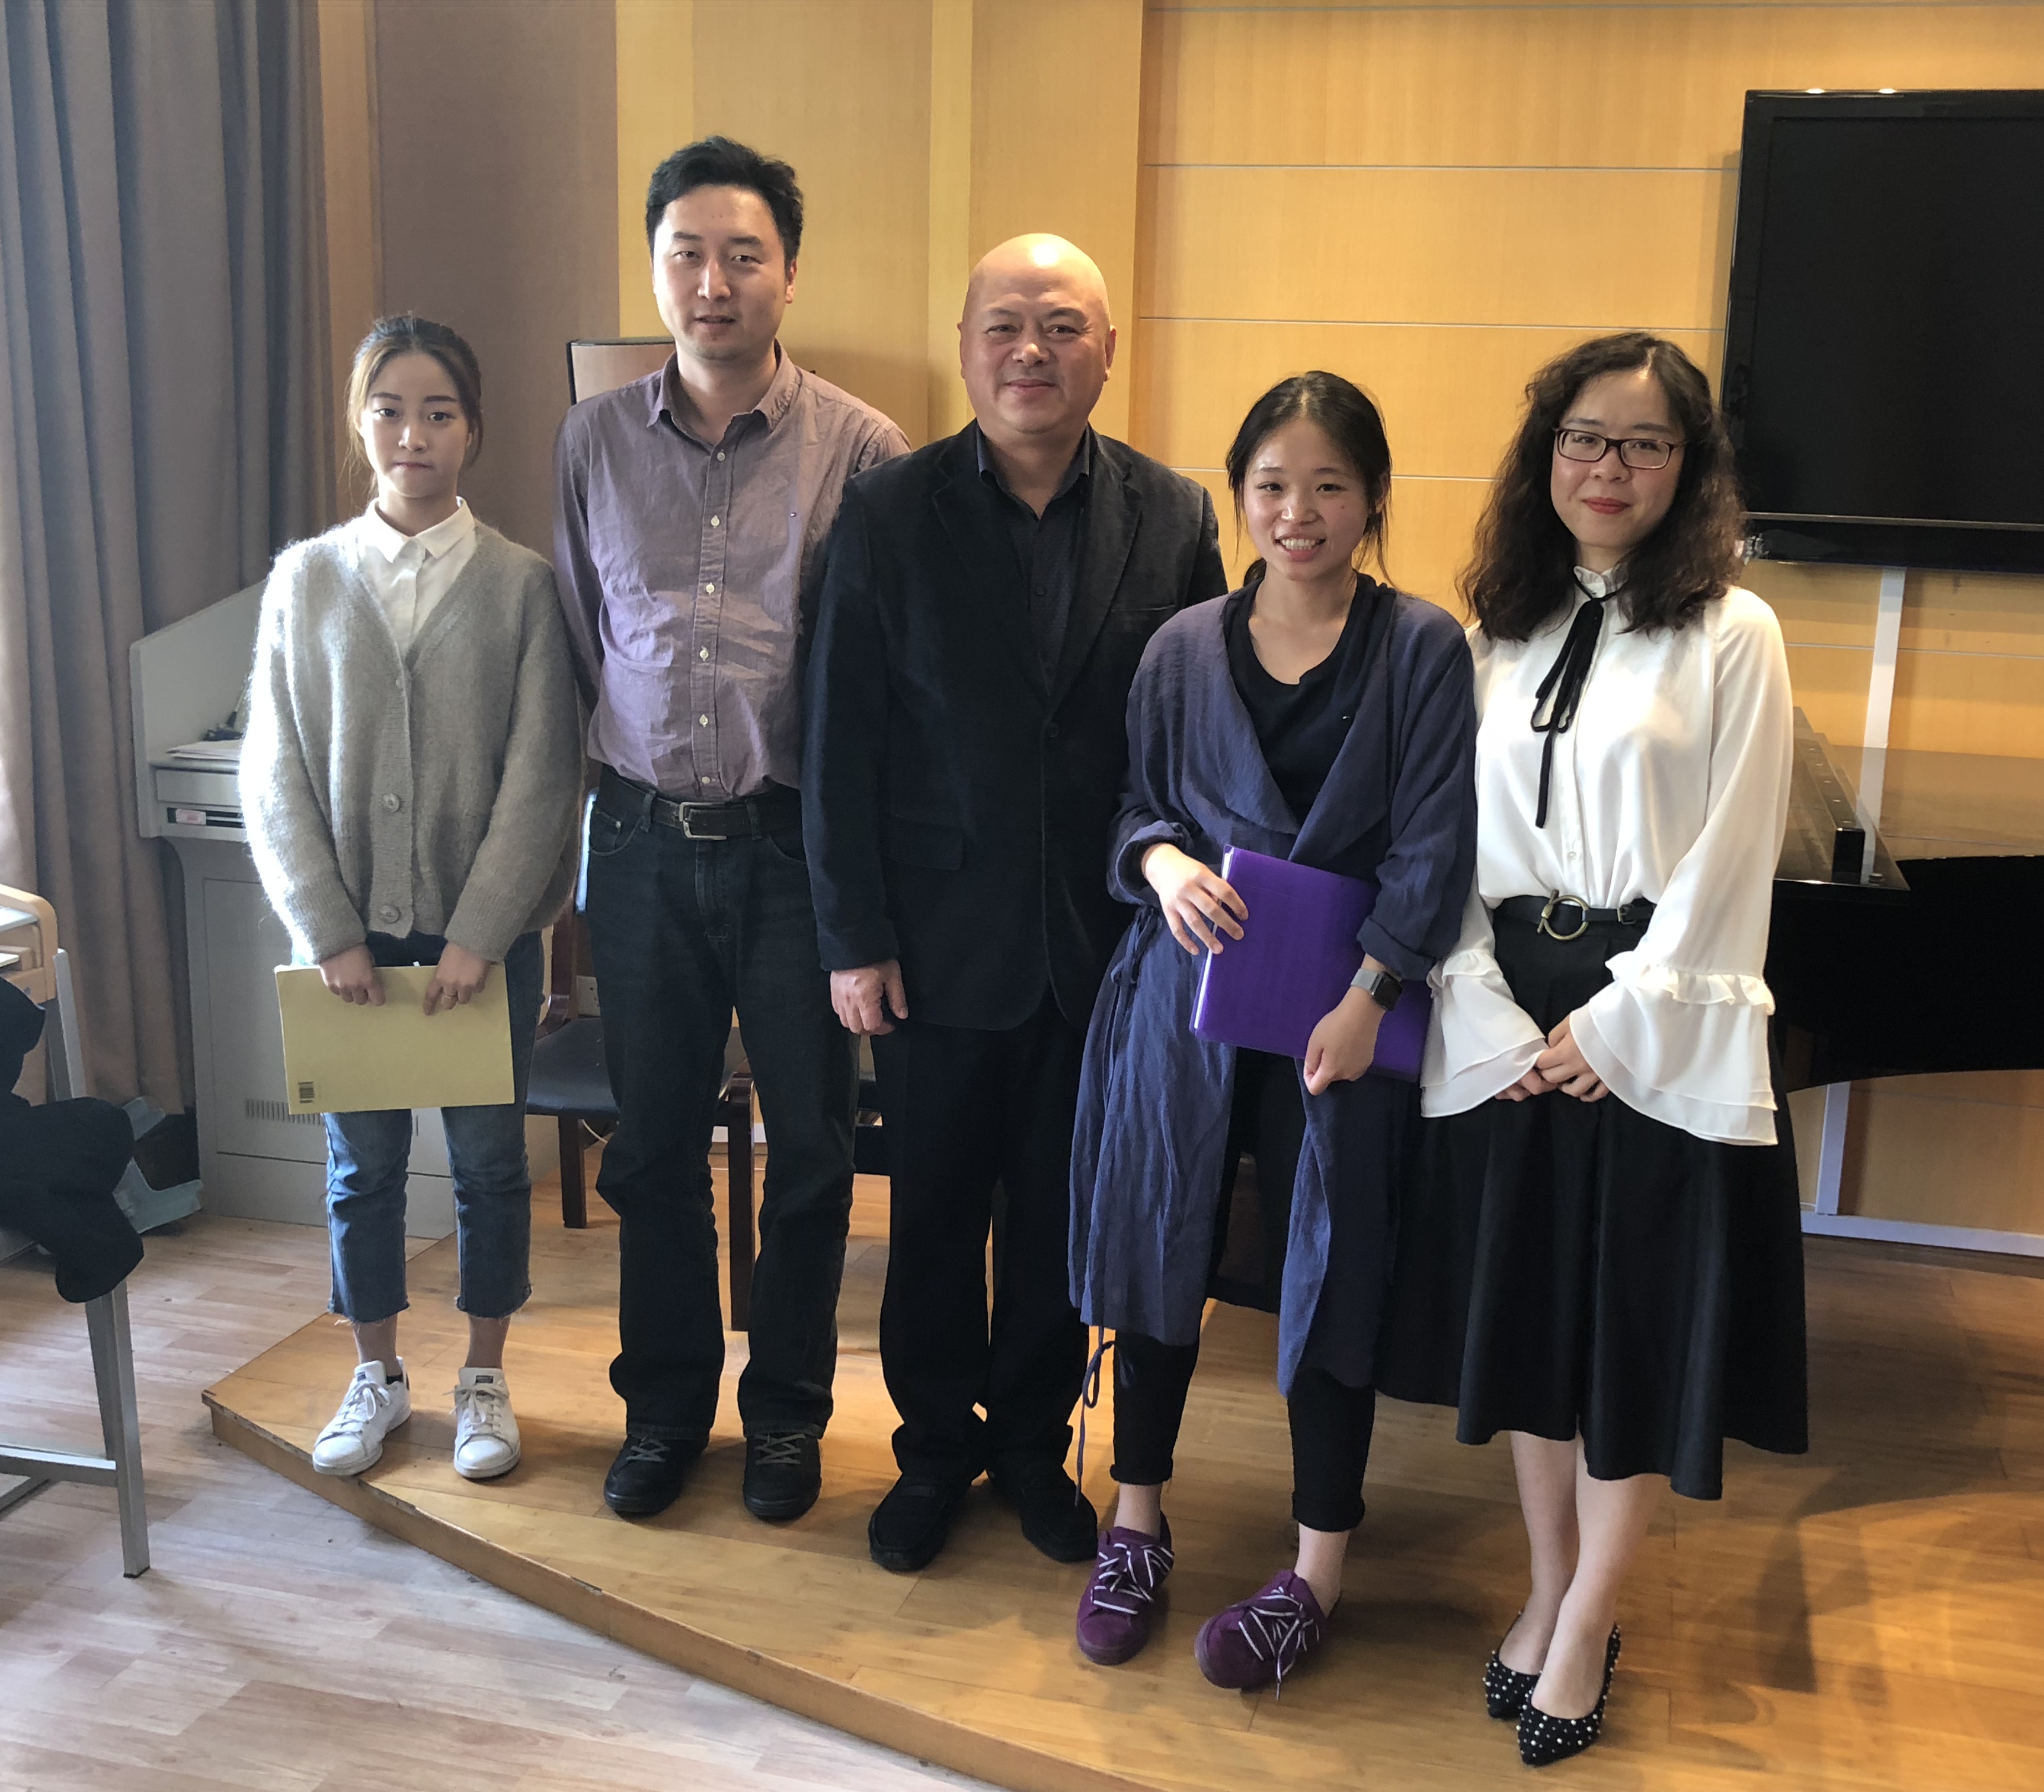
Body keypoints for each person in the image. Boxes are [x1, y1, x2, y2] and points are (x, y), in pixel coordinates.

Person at [1377, 333, 1809, 1767]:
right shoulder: (1493, 627)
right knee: (1531, 1327)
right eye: (1583, 437)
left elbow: (1735, 850)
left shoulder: (1735, 632)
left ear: (1689, 467)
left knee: (1627, 1333)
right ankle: (1551, 1584)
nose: (1608, 467)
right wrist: (1484, 1001)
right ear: (1545, 454)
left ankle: (1591, 1614)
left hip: (1649, 1009)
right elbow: (1443, 834)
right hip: (1510, 1007)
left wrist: (1620, 1021)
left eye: (1643, 443)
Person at [804, 234, 1226, 1575]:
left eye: (1060, 327)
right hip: (931, 947)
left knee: (1057, 1216)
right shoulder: (888, 512)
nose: (1030, 352)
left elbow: (1198, 734)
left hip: (1106, 943)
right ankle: (934, 1452)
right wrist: (853, 937)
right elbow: (839, 742)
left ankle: (1037, 1448)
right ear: (966, 345)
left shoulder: (1174, 516)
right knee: (932, 1216)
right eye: (1004, 326)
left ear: (1107, 351)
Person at [1065, 374, 1476, 1689]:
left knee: (1330, 1274)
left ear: (1374, 499)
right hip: (1184, 1010)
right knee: (1161, 1247)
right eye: (1272, 486)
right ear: (1238, 495)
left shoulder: (1423, 649)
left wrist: (1370, 997)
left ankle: (1315, 1571)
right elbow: (1133, 806)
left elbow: (1434, 846)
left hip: (1344, 1020)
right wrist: (1163, 862)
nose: (1298, 512)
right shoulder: (1183, 647)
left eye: (1330, 486)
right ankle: (1136, 1524)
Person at [554, 137, 907, 1522]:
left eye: (743, 255)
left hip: (792, 849)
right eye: (688, 254)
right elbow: (582, 640)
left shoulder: (863, 449)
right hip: (642, 843)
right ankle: (663, 1413)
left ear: (789, 275)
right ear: (656, 271)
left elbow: (877, 680)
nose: (714, 281)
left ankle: (788, 1418)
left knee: (813, 1148)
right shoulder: (591, 440)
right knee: (652, 1150)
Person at [242, 313, 583, 1485]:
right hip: (353, 950)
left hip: (484, 947)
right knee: (364, 1171)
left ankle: (483, 1377)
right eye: (390, 409)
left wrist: (482, 934)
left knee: (489, 1168)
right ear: (360, 423)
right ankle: (376, 1373)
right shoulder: (305, 580)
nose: (413, 433)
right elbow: (272, 768)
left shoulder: (523, 588)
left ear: (472, 430)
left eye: (439, 412)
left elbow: (544, 773)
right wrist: (328, 930)